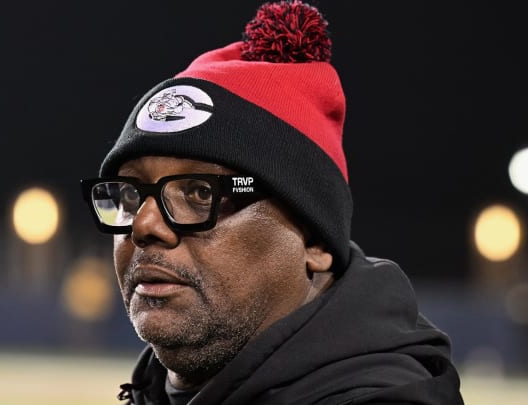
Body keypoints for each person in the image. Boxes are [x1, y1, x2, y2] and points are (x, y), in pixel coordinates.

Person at [81, 1, 465, 403]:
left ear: (313, 239)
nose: (143, 225)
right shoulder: (158, 387)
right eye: (129, 193)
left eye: (200, 193)